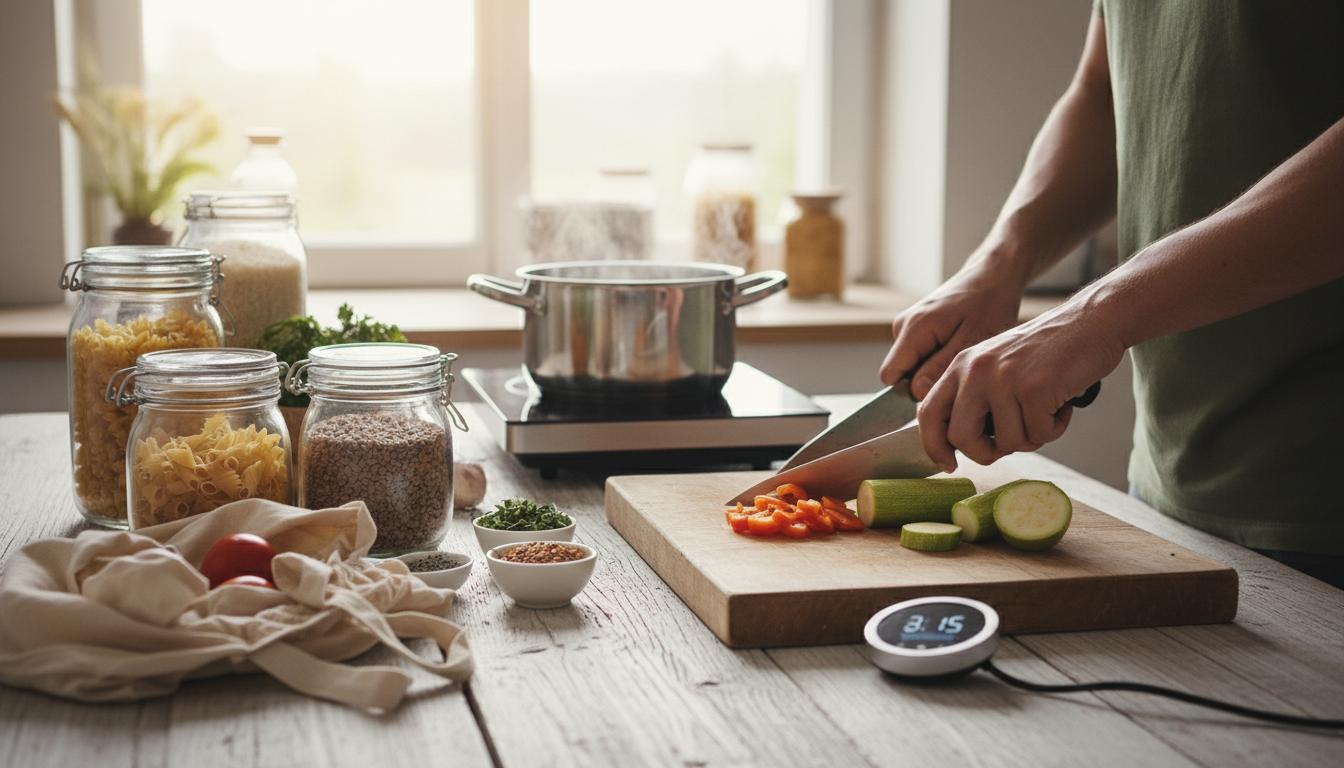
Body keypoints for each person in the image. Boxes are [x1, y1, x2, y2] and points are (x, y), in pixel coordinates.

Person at [879, 3, 1344, 586]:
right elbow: (1103, 92)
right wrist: (999, 263)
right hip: (1167, 488)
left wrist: (1096, 315)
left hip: (1324, 509)